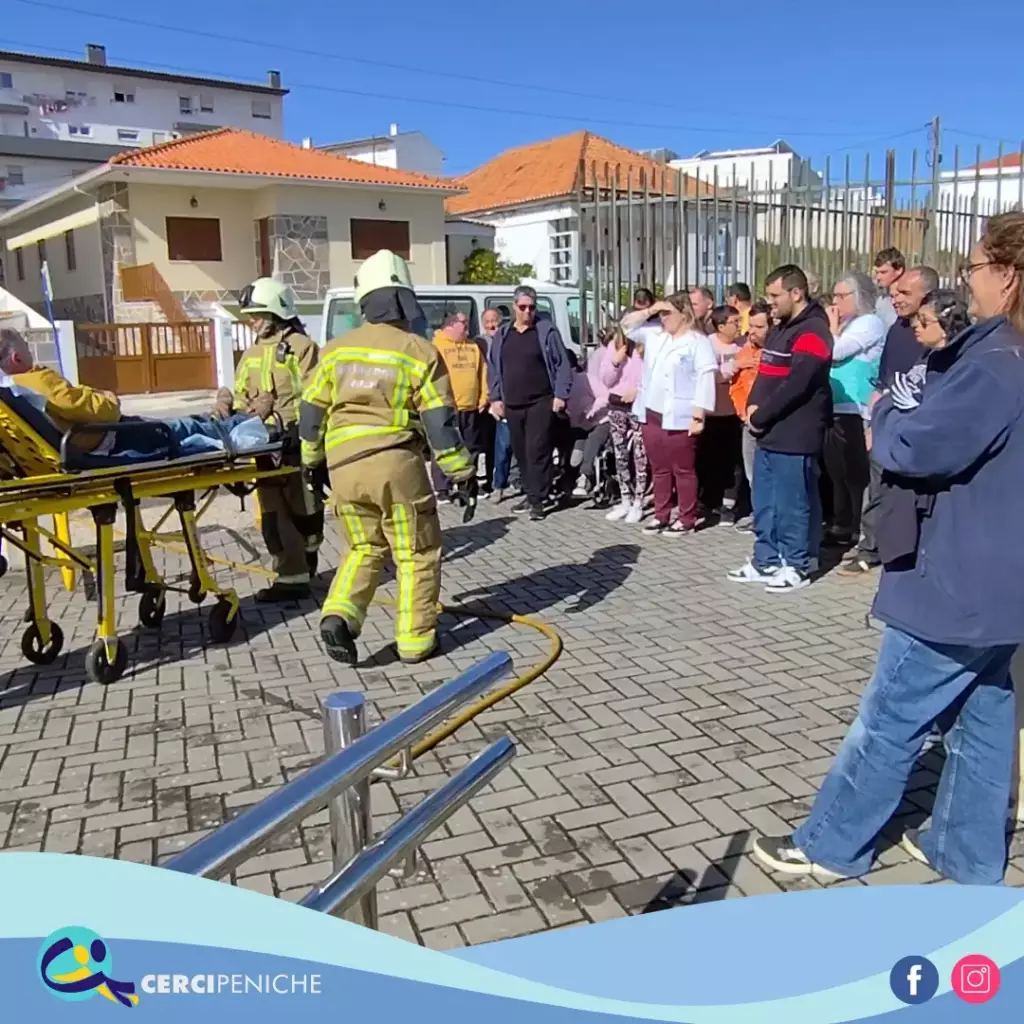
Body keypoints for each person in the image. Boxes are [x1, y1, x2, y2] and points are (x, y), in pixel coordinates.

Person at [752, 213, 1024, 886]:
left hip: (955, 581)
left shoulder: (994, 365)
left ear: (1009, 275)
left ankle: (830, 844)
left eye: (975, 269)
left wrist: (891, 408)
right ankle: (964, 852)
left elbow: (913, 447)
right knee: (984, 721)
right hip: (1002, 584)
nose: (967, 283)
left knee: (890, 718)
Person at [299, 249, 475, 667]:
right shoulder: (419, 352)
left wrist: (312, 462)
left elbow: (310, 413)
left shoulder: (334, 351)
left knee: (362, 547)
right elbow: (440, 425)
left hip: (344, 468)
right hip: (396, 466)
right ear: (405, 300)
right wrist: (462, 473)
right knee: (415, 553)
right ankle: (415, 642)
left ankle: (340, 614)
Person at [214, 278, 324, 602]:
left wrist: (306, 433)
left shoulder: (301, 348)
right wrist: (225, 404)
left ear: (277, 310)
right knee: (274, 518)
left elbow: (317, 396)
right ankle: (291, 579)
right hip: (263, 447)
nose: (252, 321)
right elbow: (238, 398)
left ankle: (310, 547)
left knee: (305, 510)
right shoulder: (249, 354)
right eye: (250, 315)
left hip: (296, 445)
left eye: (258, 313)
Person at [727, 265, 832, 592]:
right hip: (768, 431)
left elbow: (798, 383)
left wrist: (761, 415)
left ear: (796, 293)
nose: (769, 302)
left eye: (775, 295)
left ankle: (796, 564)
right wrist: (752, 412)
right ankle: (766, 559)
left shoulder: (813, 331)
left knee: (792, 503)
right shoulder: (782, 327)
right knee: (766, 500)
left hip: (795, 432)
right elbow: (768, 373)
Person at [0, 327, 258, 456]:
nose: (31, 352)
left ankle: (224, 415)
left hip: (91, 444)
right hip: (113, 440)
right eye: (27, 347)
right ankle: (248, 421)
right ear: (17, 358)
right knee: (181, 428)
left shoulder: (12, 393)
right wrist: (108, 397)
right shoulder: (37, 381)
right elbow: (105, 411)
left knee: (183, 425)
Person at [840, 265, 937, 576]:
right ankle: (871, 548)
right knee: (878, 488)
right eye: (894, 293)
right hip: (888, 423)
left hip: (919, 427)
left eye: (905, 293)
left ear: (928, 295)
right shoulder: (897, 328)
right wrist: (873, 421)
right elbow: (883, 380)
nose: (896, 299)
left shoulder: (938, 335)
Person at [620, 293, 716, 536]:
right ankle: (661, 514)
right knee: (659, 467)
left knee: (683, 468)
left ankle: (686, 517)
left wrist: (699, 414)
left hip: (681, 413)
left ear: (683, 314)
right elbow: (626, 325)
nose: (663, 319)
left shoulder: (697, 341)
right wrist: (651, 309)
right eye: (661, 314)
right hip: (652, 411)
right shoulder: (654, 335)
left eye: (668, 313)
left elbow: (705, 377)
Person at [487, 285, 572, 521]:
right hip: (513, 403)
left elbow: (562, 364)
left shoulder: (546, 331)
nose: (527, 312)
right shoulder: (504, 335)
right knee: (521, 452)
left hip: (541, 401)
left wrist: (561, 395)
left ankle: (538, 501)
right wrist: (495, 398)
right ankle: (531, 492)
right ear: (514, 307)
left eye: (531, 308)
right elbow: (493, 368)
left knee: (537, 450)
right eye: (522, 307)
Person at [821, 271, 885, 550]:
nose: (835, 302)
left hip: (855, 407)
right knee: (837, 471)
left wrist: (832, 328)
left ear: (858, 297)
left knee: (854, 473)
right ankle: (840, 524)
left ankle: (857, 528)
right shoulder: (845, 325)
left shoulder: (869, 323)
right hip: (835, 404)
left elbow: (835, 352)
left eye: (841, 296)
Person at [430, 311, 490, 502]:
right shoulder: (436, 346)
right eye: (464, 323)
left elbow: (483, 373)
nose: (468, 327)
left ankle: (467, 486)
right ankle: (443, 489)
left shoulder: (472, 346)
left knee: (470, 448)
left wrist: (483, 397)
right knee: (445, 448)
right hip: (446, 407)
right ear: (451, 325)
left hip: (470, 406)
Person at [698, 304, 748, 525]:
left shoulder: (743, 345)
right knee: (708, 459)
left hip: (734, 413)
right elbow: (709, 375)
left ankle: (730, 504)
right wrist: (734, 366)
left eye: (739, 321)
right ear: (720, 326)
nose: (739, 326)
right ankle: (707, 501)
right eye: (734, 322)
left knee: (734, 462)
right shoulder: (707, 345)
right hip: (711, 412)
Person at [724, 300, 770, 533]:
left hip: (773, 423)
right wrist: (744, 412)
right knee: (753, 475)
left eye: (758, 327)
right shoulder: (746, 351)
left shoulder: (779, 351)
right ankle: (758, 515)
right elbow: (735, 385)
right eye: (750, 325)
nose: (751, 332)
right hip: (748, 423)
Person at [600, 326, 648, 523]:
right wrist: (615, 362)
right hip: (617, 405)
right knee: (620, 454)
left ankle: (639, 501)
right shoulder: (615, 346)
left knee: (640, 454)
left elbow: (652, 377)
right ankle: (625, 498)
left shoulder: (645, 348)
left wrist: (637, 392)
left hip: (638, 406)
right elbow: (606, 380)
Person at [872, 247, 905, 329]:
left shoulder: (907, 299)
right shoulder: (881, 297)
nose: (878, 277)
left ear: (898, 270)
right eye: (877, 272)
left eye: (883, 272)